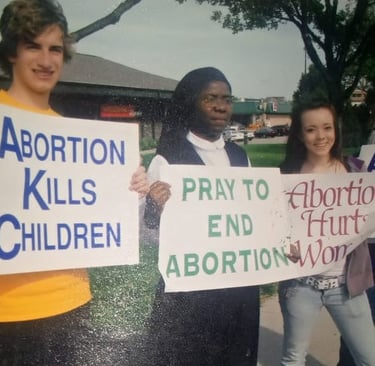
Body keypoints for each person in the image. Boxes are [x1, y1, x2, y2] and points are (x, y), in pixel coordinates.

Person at [0, 1, 148, 365]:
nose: (46, 60)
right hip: (9, 312)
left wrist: (131, 187)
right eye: (33, 46)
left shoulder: (72, 136)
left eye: (55, 49)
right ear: (12, 52)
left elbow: (98, 215)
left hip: (73, 300)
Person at [143, 67, 260, 366]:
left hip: (237, 288)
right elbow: (148, 236)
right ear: (191, 103)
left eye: (227, 99)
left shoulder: (239, 157)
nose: (221, 106)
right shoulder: (167, 158)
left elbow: (252, 218)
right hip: (190, 296)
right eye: (211, 98)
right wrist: (155, 209)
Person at [278, 100, 375, 366]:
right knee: (294, 359)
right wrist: (284, 245)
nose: (321, 137)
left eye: (327, 128)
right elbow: (273, 226)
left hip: (347, 287)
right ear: (299, 134)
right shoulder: (285, 176)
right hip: (300, 287)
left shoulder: (356, 170)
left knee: (370, 358)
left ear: (336, 130)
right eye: (311, 130)